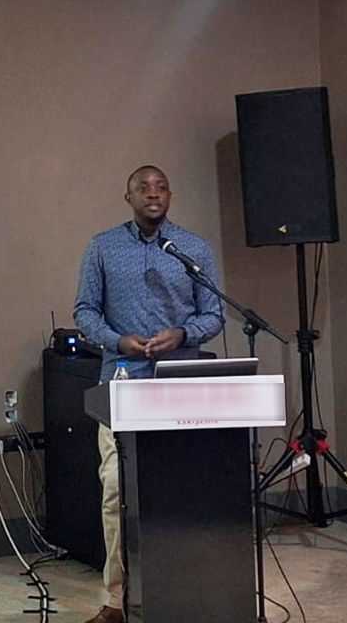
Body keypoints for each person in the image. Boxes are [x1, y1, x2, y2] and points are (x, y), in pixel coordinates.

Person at [72, 165, 224, 623]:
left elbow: (214, 313)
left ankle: (189, 587)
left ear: (170, 196)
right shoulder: (102, 247)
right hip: (121, 382)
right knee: (117, 490)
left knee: (182, 490)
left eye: (160, 188)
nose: (152, 195)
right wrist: (119, 341)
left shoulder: (192, 249)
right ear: (129, 198)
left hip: (180, 382)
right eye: (143, 189)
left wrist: (181, 333)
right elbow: (84, 310)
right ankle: (115, 600)